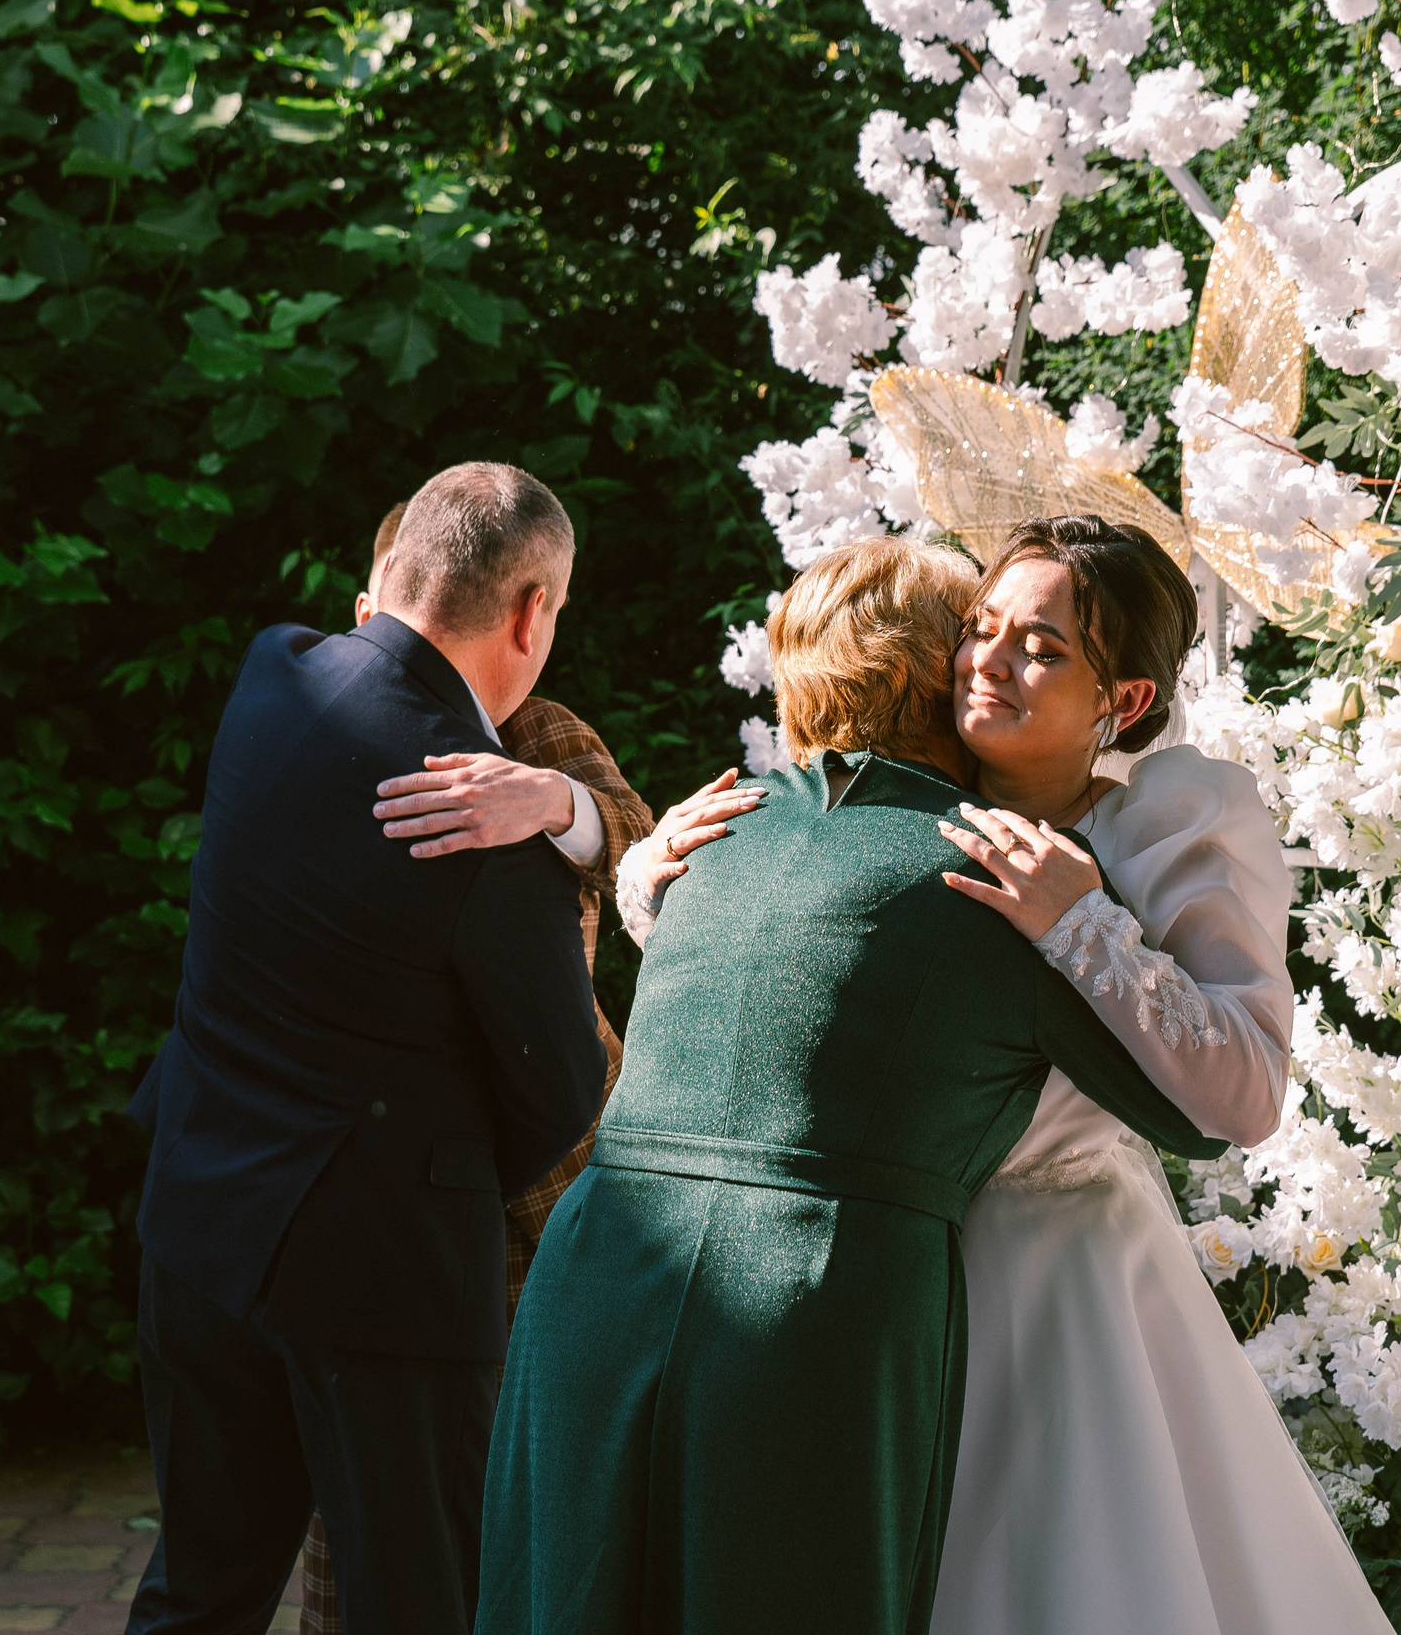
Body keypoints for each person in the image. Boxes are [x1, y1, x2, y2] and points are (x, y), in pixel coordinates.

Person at [622, 515, 1391, 1633]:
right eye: (982, 629)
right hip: (880, 1278)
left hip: (1052, 1276)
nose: (987, 660)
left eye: (1042, 648)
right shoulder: (891, 816)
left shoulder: (1166, 824)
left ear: (1120, 702)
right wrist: (654, 872)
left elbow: (1247, 1093)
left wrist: (1082, 924)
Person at [473, 535, 1225, 1635]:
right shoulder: (998, 869)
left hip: (593, 1274)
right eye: (973, 632)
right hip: (809, 1306)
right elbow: (1195, 1110)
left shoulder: (710, 833)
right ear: (937, 675)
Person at [122, 463, 611, 1635]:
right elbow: (560, 1092)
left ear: (386, 579)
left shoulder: (271, 677)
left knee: (200, 1588)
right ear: (531, 611)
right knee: (420, 1606)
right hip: (385, 1276)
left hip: (201, 1222)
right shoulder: (476, 813)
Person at [291, 500, 666, 1635]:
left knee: (552, 1483)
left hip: (566, 1181)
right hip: (399, 1185)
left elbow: (642, 847)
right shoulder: (321, 744)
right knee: (384, 1527)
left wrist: (554, 803)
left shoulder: (542, 731)